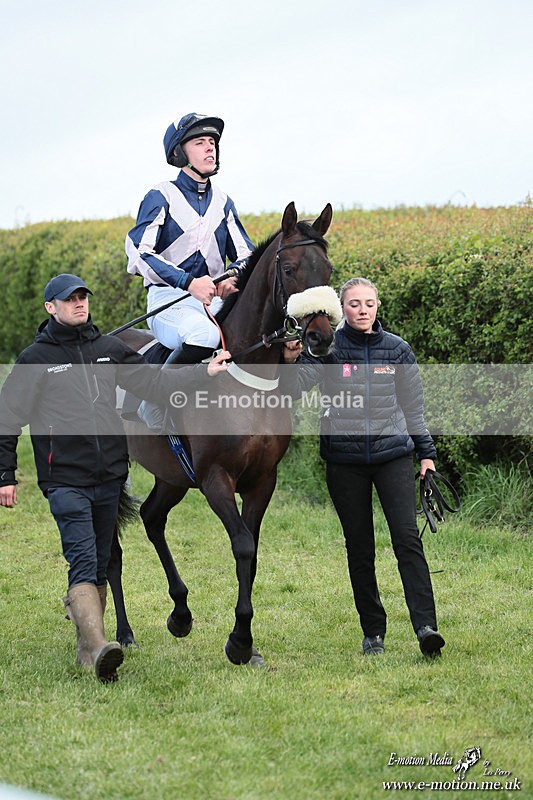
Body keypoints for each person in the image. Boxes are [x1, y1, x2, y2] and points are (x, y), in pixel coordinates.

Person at [0, 273, 229, 683]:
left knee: (103, 558)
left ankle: (89, 648)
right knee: (84, 558)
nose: (79, 304)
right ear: (51, 308)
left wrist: (203, 374)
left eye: (83, 297)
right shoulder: (36, 359)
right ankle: (102, 645)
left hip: (108, 476)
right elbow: (8, 417)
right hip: (64, 478)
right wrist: (5, 474)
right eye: (69, 300)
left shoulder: (109, 350)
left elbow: (156, 385)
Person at [282, 277, 445, 657]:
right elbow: (293, 390)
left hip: (393, 457)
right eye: (354, 304)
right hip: (345, 464)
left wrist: (426, 455)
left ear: (377, 306)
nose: (363, 310)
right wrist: (294, 358)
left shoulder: (398, 350)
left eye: (369, 303)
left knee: (408, 540)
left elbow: (413, 407)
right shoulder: (327, 348)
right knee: (360, 547)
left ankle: (426, 627)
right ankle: (373, 632)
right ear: (343, 308)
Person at [125, 112, 254, 366]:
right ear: (178, 154)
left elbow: (246, 254)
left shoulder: (224, 202)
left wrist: (233, 276)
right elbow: (138, 253)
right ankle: (155, 402)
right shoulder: (161, 195)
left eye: (212, 142)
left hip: (214, 302)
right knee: (204, 335)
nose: (210, 147)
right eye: (199, 142)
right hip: (168, 300)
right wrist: (188, 282)